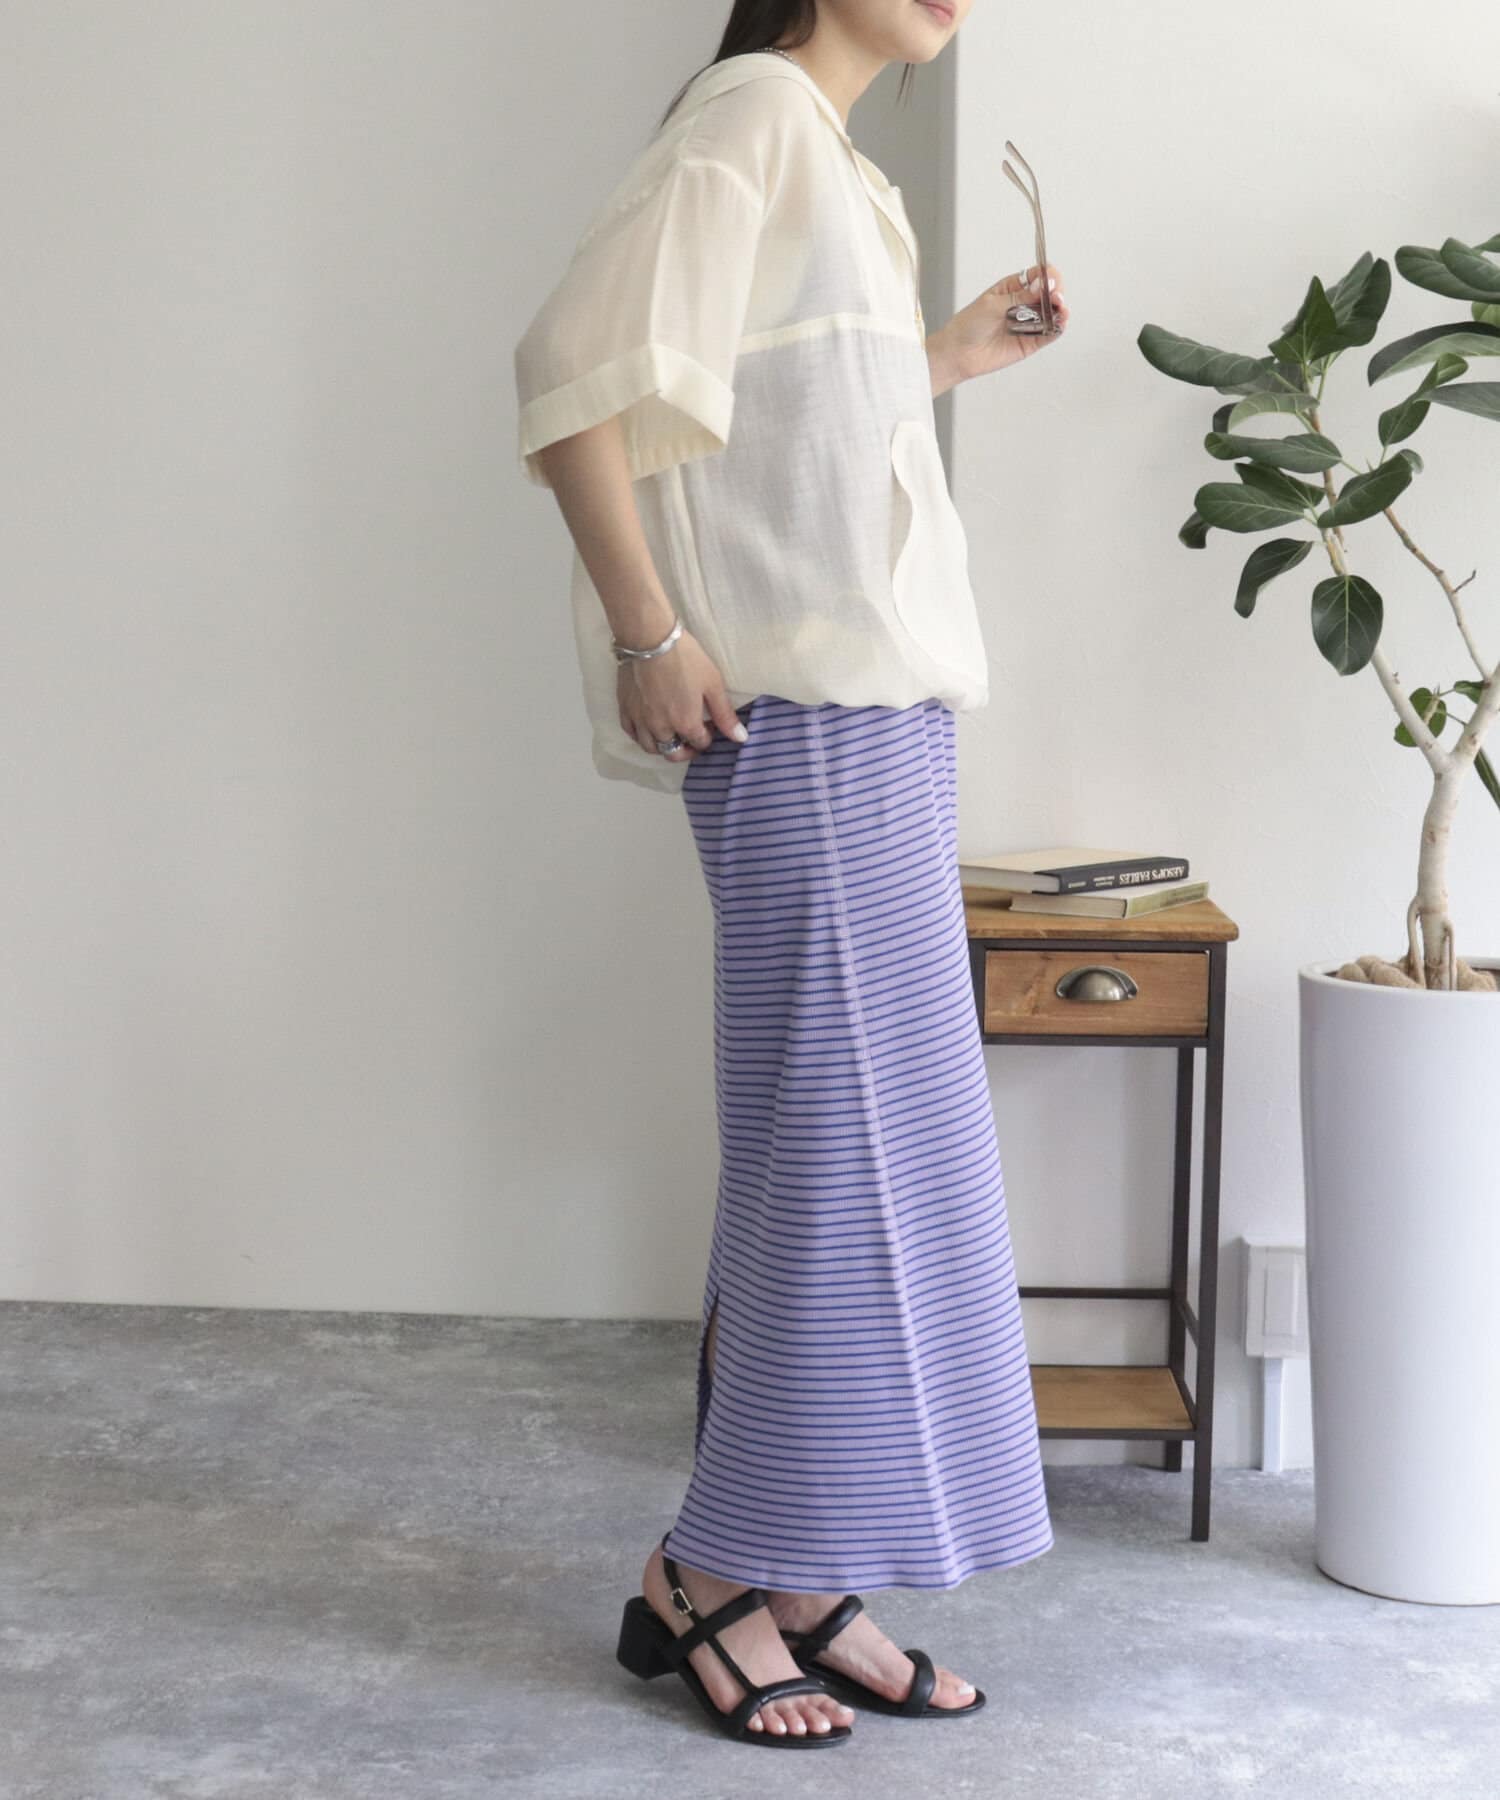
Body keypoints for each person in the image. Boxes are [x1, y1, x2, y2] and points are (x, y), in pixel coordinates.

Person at [514, 0, 1069, 1751]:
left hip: (881, 724)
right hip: (806, 727)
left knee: (845, 1155)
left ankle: (801, 1570)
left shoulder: (839, 164)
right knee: (831, 1161)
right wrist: (648, 633)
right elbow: (569, 378)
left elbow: (781, 428)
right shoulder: (752, 113)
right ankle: (708, 1575)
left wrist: (945, 359)